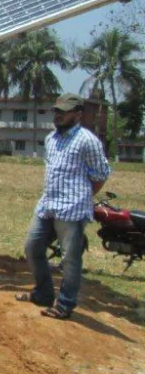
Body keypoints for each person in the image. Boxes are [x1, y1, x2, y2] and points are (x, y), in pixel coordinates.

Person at [16, 93, 110, 320]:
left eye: (64, 111)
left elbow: (101, 175)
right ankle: (43, 293)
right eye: (56, 111)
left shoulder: (87, 141)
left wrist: (82, 197)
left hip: (72, 209)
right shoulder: (51, 139)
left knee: (70, 258)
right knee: (32, 247)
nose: (58, 115)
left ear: (77, 114)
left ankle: (65, 303)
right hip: (47, 205)